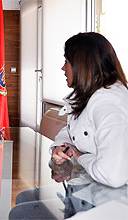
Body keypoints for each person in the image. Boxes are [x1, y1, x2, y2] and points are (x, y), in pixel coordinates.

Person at [50, 32, 128, 188]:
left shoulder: (106, 104)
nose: (63, 67)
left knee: (22, 210)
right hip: (92, 187)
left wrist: (79, 156)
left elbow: (112, 176)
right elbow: (71, 130)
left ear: (82, 65)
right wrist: (60, 147)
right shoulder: (89, 96)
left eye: (67, 61)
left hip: (116, 200)